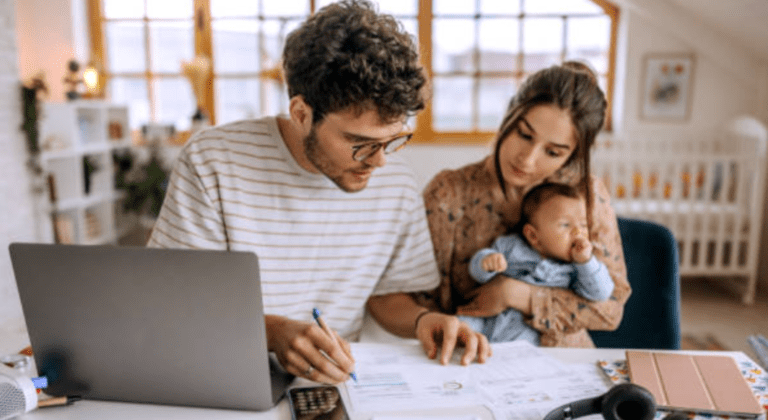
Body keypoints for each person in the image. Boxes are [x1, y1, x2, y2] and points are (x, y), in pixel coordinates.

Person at [147, 0, 490, 384]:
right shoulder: (214, 161)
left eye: (393, 140)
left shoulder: (395, 181)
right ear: (301, 113)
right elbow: (176, 303)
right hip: (225, 374)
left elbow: (387, 296)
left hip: (334, 384)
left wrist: (425, 320)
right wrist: (274, 333)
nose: (379, 162)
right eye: (360, 143)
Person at [417, 61, 631, 348]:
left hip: (563, 366)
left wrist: (515, 294)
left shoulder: (587, 196)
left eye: (553, 152)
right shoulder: (448, 193)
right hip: (470, 357)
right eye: (524, 135)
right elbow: (420, 301)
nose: (527, 159)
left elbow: (610, 310)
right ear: (509, 115)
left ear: (572, 155)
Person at [458, 182, 615, 344]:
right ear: (533, 236)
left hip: (527, 328)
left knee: (524, 346)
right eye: (565, 225)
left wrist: (586, 262)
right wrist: (486, 262)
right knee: (460, 325)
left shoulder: (576, 269)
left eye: (583, 225)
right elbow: (478, 275)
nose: (578, 232)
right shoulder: (511, 246)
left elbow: (601, 293)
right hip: (488, 318)